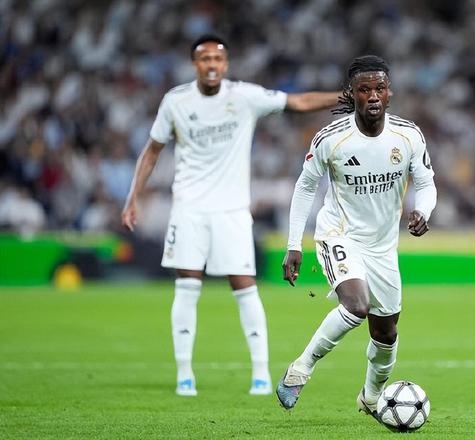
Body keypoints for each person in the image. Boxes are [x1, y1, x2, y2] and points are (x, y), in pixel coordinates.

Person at [121, 34, 339, 397]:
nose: (211, 64)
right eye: (204, 58)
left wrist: (346, 97)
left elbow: (298, 102)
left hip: (232, 210)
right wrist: (133, 198)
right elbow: (151, 150)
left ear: (226, 64)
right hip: (188, 208)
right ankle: (185, 375)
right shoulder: (176, 101)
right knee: (187, 287)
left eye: (217, 59)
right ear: (195, 64)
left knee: (245, 286)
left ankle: (260, 375)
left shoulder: (244, 97)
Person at [277, 55, 437, 417]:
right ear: (352, 94)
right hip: (339, 234)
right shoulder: (331, 139)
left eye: (380, 88)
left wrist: (423, 211)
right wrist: (293, 245)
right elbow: (305, 187)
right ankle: (300, 369)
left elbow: (426, 183)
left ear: (390, 92)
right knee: (356, 306)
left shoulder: (408, 135)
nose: (374, 95)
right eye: (365, 89)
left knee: (386, 334)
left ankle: (370, 396)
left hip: (383, 247)